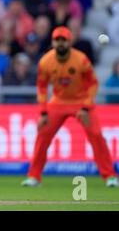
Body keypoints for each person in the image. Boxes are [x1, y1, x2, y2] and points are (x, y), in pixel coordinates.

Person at [22, 26, 118, 187]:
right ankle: (34, 176)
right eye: (57, 40)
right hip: (58, 102)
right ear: (52, 42)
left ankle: (109, 177)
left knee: (96, 136)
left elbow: (93, 84)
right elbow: (42, 87)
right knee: (43, 135)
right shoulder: (46, 61)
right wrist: (43, 112)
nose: (60, 44)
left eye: (63, 40)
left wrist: (86, 107)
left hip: (81, 102)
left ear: (69, 42)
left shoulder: (81, 59)